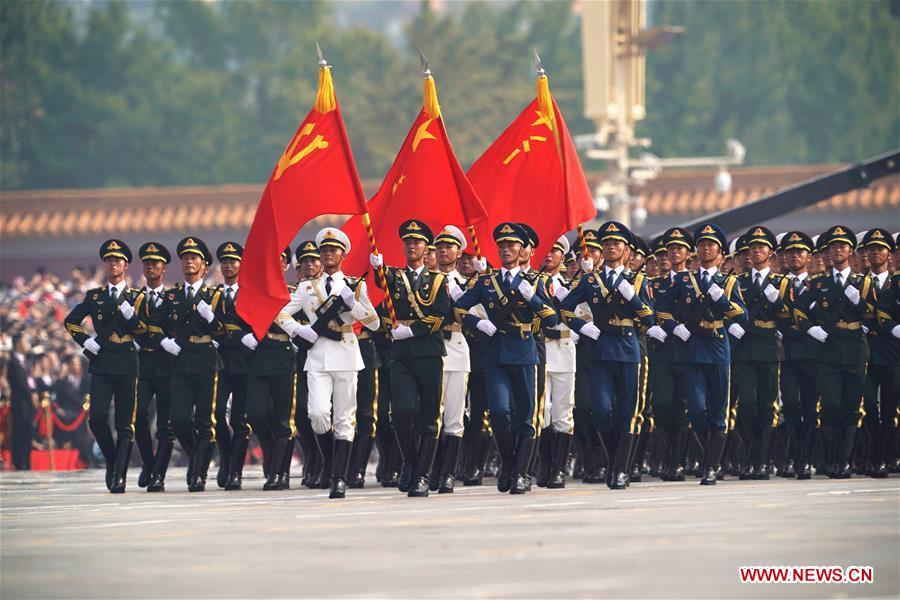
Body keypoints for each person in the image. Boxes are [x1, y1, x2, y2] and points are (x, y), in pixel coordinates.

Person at [453, 222, 558, 494]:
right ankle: (509, 464)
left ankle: (521, 473)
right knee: (498, 412)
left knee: (526, 415)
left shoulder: (537, 281)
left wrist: (532, 298)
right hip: (496, 351)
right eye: (502, 245)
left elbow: (552, 318)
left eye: (512, 245)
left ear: (522, 249)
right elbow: (458, 308)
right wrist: (478, 323)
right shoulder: (487, 282)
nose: (506, 249)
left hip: (525, 351)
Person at [278, 228, 379, 498]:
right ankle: (334, 464)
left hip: (346, 353)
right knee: (318, 414)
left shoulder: (356, 285)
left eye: (333, 250)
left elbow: (375, 322)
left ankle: (338, 479)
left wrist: (353, 305)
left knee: (345, 418)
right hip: (318, 355)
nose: (328, 254)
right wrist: (299, 331)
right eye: (324, 250)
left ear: (343, 254)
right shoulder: (306, 287)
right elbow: (280, 313)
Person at [560, 221, 654, 489]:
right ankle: (613, 460)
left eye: (616, 243)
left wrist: (633, 298)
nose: (611, 247)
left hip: (627, 348)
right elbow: (565, 309)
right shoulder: (590, 280)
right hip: (600, 348)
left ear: (626, 250)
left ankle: (620, 468)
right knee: (600, 411)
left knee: (627, 412)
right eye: (607, 243)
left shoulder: (638, 280)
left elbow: (649, 318)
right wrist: (582, 326)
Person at [658, 224, 747, 485]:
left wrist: (722, 301)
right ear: (696, 250)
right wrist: (675, 328)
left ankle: (711, 465)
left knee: (719, 410)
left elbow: (742, 315)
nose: (706, 248)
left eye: (712, 245)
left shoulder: (729, 282)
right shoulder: (685, 280)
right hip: (694, 348)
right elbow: (660, 309)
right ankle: (708, 457)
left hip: (719, 348)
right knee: (696, 410)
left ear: (720, 253)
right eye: (702, 244)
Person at [369, 220, 453, 497]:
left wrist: (412, 330)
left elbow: (442, 314)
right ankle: (409, 462)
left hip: (429, 351)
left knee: (429, 417)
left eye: (417, 242)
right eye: (407, 242)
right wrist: (376, 267)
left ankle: (421, 474)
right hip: (402, 355)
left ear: (426, 247)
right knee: (402, 412)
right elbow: (381, 282)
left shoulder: (439, 280)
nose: (412, 246)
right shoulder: (395, 276)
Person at [64, 239, 145, 493]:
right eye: (109, 260)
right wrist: (86, 340)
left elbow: (146, 332)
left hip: (127, 361)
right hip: (102, 361)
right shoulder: (95, 296)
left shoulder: (137, 298)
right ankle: (111, 458)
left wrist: (133, 318)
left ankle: (119, 474)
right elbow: (71, 321)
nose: (113, 263)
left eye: (118, 260)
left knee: (124, 423)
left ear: (126, 265)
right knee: (97, 418)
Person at [157, 237, 222, 492]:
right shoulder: (172, 295)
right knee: (180, 419)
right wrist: (164, 342)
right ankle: (198, 457)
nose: (188, 261)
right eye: (185, 257)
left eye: (194, 257)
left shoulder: (213, 295)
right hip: (181, 359)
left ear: (204, 265)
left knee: (205, 421)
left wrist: (212, 318)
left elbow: (225, 330)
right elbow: (154, 325)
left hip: (205, 358)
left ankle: (199, 474)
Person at [729, 226, 790, 480]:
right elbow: (729, 311)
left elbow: (790, 318)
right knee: (747, 405)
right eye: (752, 248)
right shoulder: (738, 282)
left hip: (768, 348)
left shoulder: (780, 283)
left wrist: (779, 303)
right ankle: (749, 456)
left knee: (767, 406)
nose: (755, 252)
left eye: (761, 247)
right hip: (744, 348)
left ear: (770, 253)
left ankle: (762, 461)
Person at [430, 225, 472, 493]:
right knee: (430, 415)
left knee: (454, 418)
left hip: (456, 348)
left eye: (449, 247)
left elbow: (481, 315)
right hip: (430, 349)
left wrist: (463, 300)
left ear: (459, 252)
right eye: (440, 247)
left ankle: (447, 473)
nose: (443, 251)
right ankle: (429, 469)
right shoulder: (423, 281)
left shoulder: (469, 284)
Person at [211, 242, 255, 490]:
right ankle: (227, 458)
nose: (228, 265)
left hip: (245, 363)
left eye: (233, 261)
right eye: (225, 261)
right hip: (221, 363)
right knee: (216, 414)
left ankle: (235, 471)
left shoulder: (248, 293)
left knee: (240, 419)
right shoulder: (214, 295)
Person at [775, 231, 819, 479]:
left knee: (811, 408)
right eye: (790, 252)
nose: (795, 257)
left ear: (808, 256)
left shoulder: (819, 284)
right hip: (787, 354)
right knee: (790, 405)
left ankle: (806, 458)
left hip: (812, 354)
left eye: (799, 252)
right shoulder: (776, 284)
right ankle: (793, 455)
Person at [539, 235, 578, 488]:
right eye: (545, 250)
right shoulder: (530, 284)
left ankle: (559, 468)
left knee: (562, 414)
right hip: (540, 351)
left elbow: (585, 314)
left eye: (554, 251)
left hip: (563, 349)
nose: (549, 255)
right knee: (541, 413)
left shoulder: (573, 285)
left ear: (562, 257)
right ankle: (544, 464)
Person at [134, 242, 173, 489]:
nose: (150, 267)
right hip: (143, 365)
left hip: (169, 366)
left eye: (155, 264)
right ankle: (148, 463)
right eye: (147, 264)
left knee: (166, 424)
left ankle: (159, 472)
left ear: (164, 268)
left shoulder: (174, 297)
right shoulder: (135, 298)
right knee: (138, 417)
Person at [859, 228, 897, 477]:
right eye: (871, 249)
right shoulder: (857, 282)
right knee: (869, 405)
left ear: (889, 254)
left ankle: (886, 456)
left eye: (880, 249)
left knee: (891, 408)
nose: (875, 253)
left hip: (894, 352)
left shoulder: (897, 282)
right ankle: (873, 457)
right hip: (866, 352)